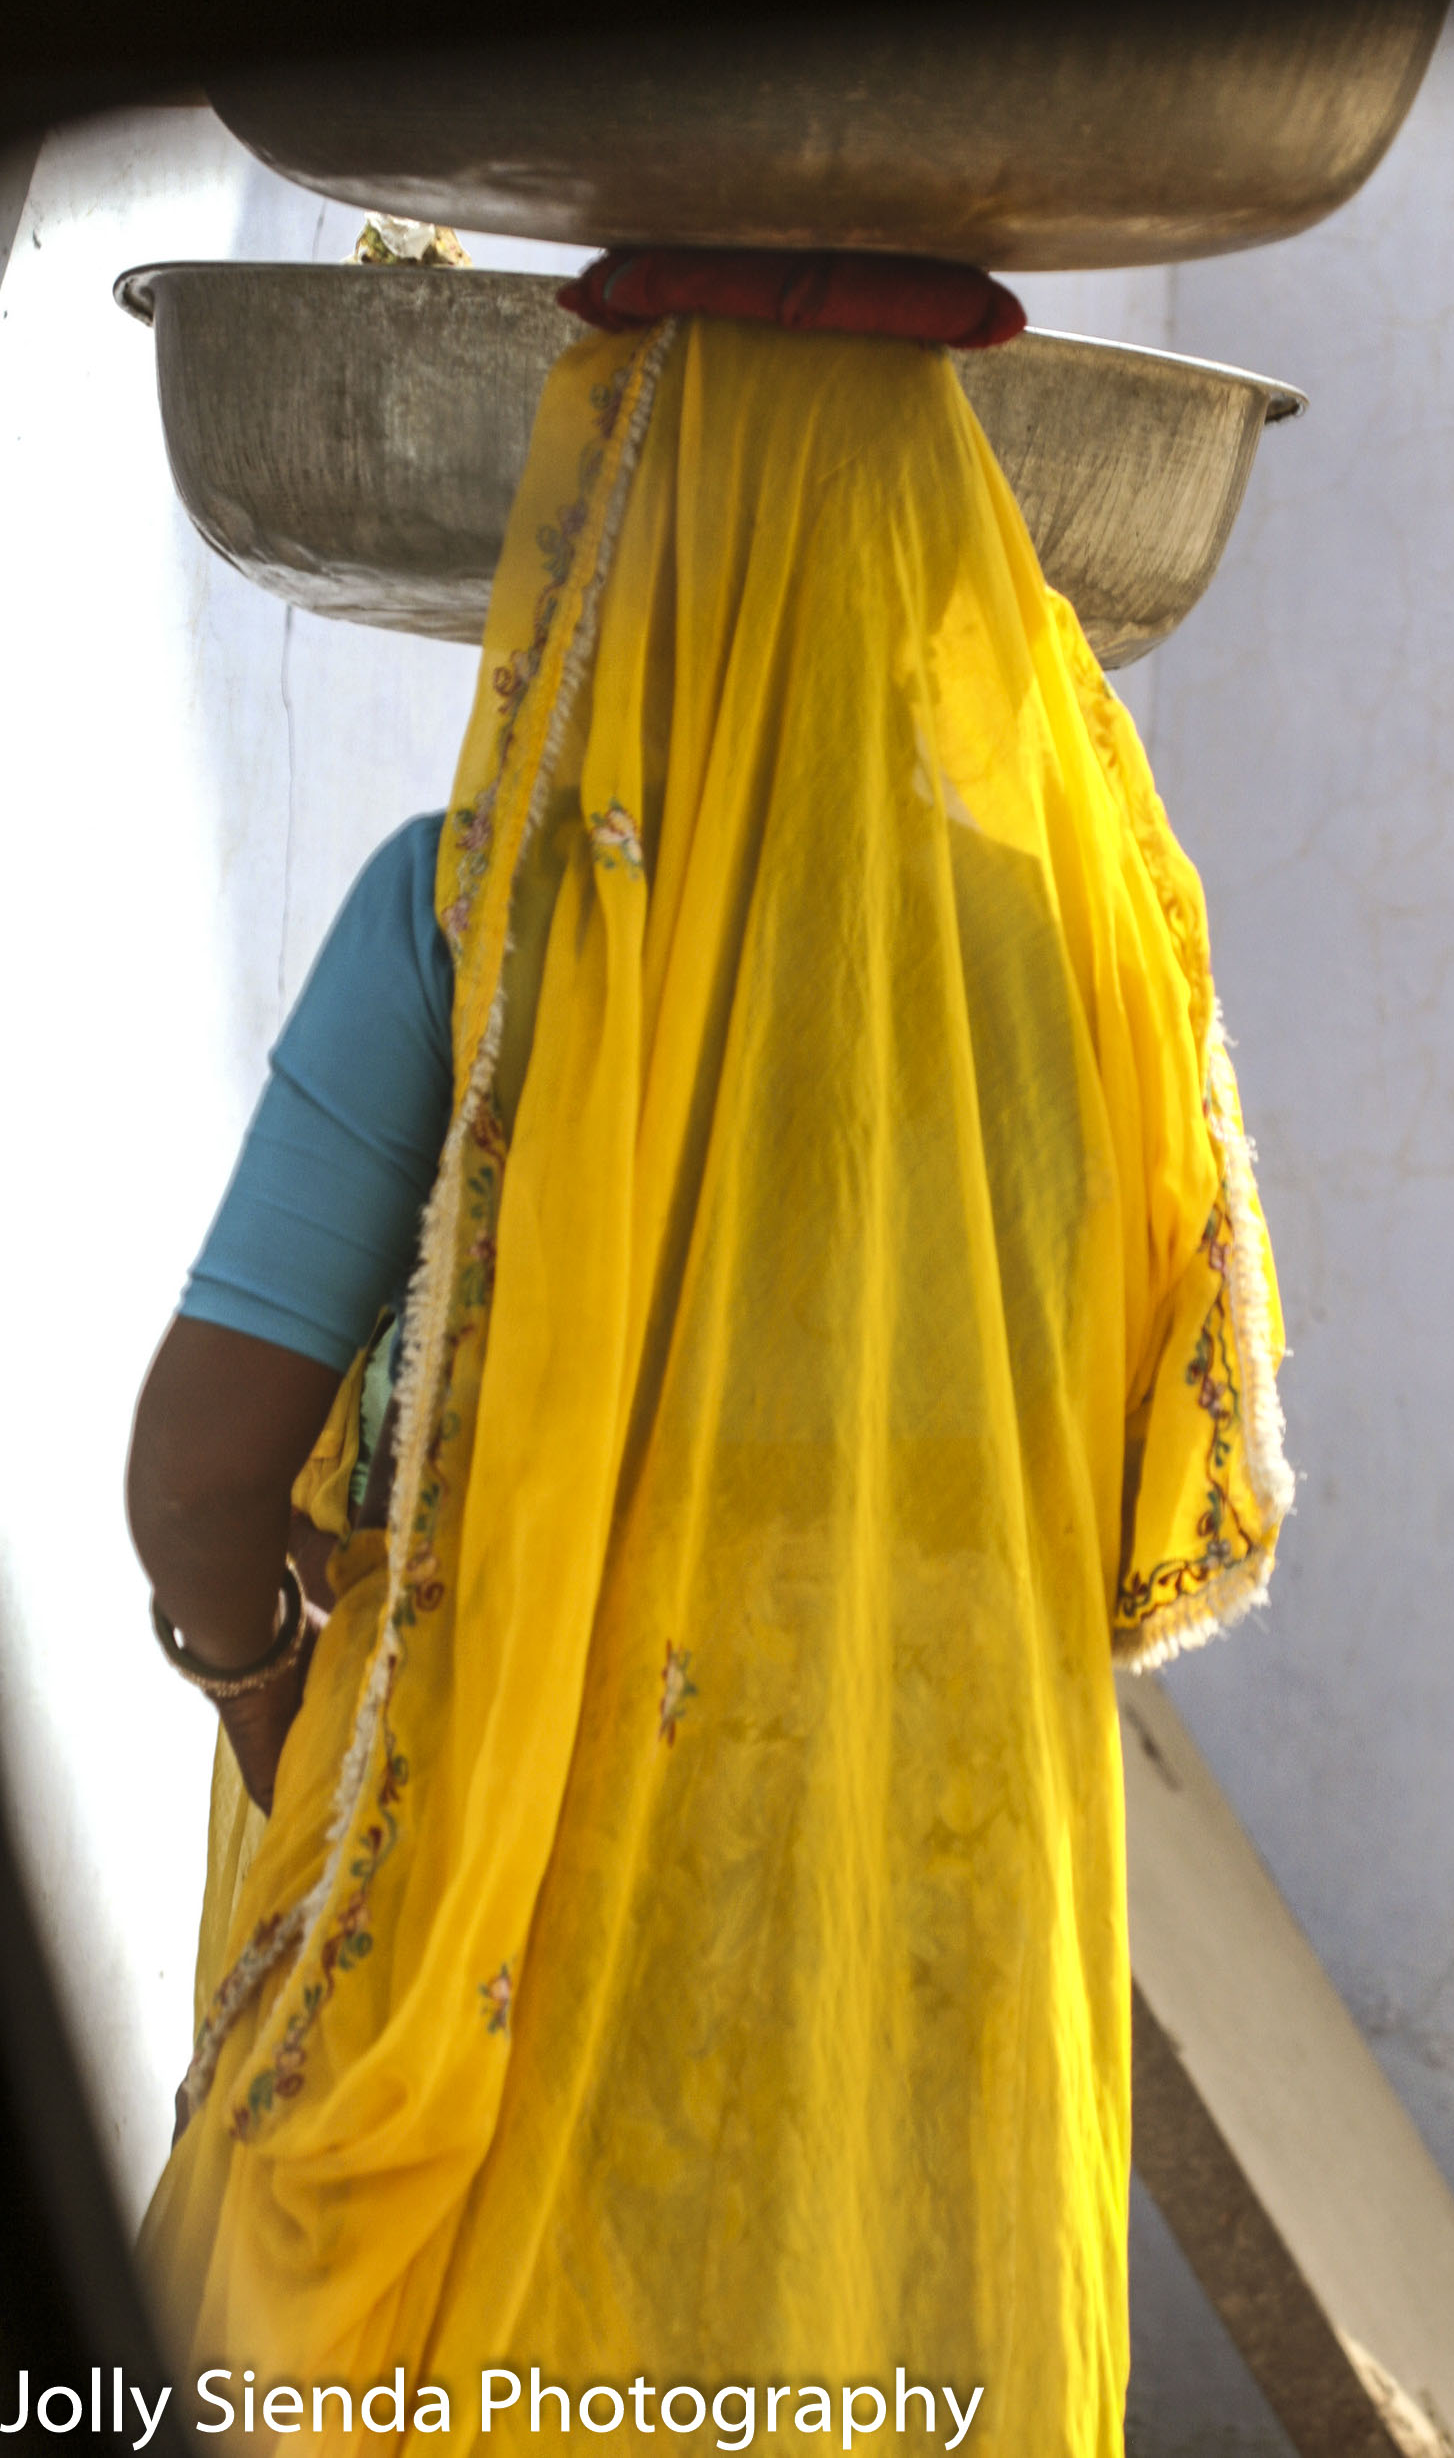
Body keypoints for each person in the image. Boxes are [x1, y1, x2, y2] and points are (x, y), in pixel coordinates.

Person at [128, 252, 1292, 2457]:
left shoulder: (462, 913)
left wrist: (278, 1702)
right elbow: (1149, 1526)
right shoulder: (1071, 969)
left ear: (606, 513)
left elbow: (198, 1473)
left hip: (502, 1944)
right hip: (910, 1958)